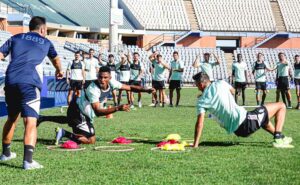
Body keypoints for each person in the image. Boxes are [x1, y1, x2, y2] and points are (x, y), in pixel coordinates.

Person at [0, 16, 63, 170]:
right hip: (29, 83)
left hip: (11, 81)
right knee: (31, 121)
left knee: (12, 118)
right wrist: (59, 71)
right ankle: (28, 161)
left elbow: (0, 55)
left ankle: (6, 153)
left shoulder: (15, 37)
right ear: (43, 29)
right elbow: (56, 59)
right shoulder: (46, 42)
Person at [38, 66, 154, 144]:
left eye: (105, 78)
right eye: (100, 77)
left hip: (80, 110)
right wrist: (118, 108)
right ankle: (64, 133)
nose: (102, 80)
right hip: (79, 110)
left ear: (110, 77)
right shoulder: (93, 89)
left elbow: (129, 87)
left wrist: (146, 89)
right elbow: (98, 112)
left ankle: (42, 118)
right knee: (90, 139)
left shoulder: (112, 83)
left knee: (70, 120)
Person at [192, 72, 293, 149]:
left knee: (264, 120)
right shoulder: (220, 83)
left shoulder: (201, 101)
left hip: (238, 130)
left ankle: (281, 137)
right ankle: (278, 138)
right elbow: (233, 91)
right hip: (245, 121)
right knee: (281, 105)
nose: (197, 87)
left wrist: (195, 144)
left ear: (201, 84)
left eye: (196, 85)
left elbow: (199, 123)